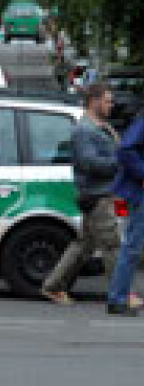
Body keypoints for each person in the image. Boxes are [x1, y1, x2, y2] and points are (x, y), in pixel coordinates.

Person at [41, 83, 143, 310]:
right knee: (113, 245)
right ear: (94, 101)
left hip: (102, 193)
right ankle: (122, 294)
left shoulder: (100, 126)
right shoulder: (85, 131)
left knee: (84, 244)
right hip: (98, 195)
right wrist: (121, 165)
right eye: (107, 101)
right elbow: (89, 163)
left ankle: (53, 285)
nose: (111, 105)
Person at [107, 107, 144, 316]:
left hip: (134, 193)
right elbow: (125, 149)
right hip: (137, 195)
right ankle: (118, 299)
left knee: (130, 246)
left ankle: (119, 297)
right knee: (131, 247)